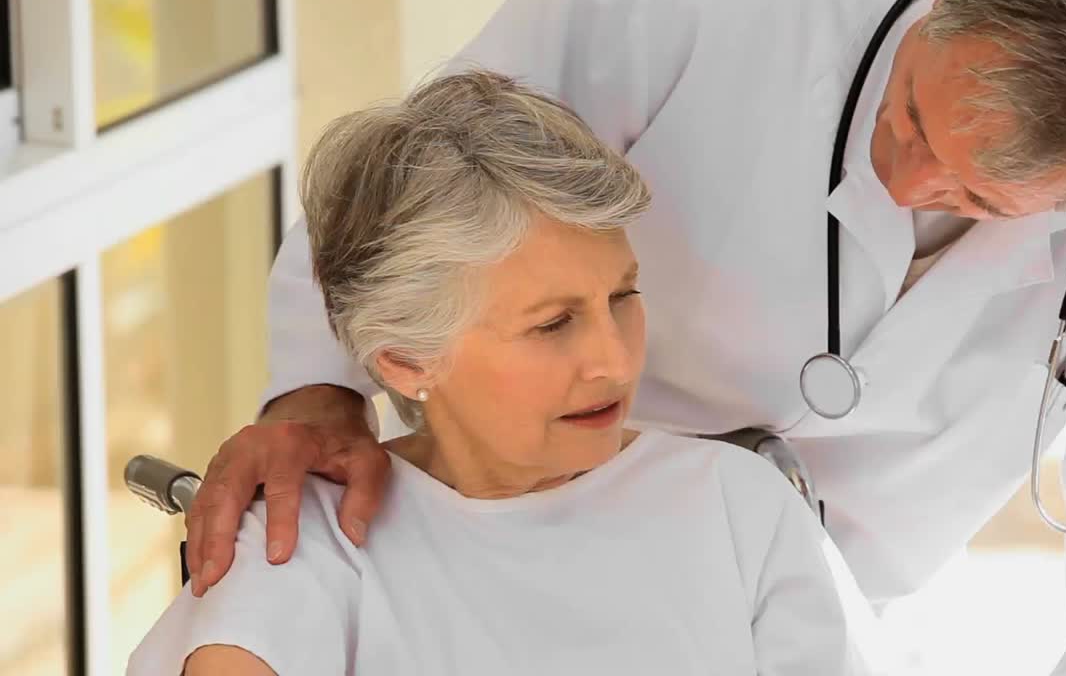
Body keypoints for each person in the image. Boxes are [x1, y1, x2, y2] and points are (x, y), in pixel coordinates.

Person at [188, 0, 1066, 673]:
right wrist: (315, 390)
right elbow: (421, 172)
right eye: (906, 113)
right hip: (534, 484)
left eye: (974, 199)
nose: (901, 183)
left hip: (811, 585)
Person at [129, 70, 887, 675]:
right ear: (405, 358)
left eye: (622, 297)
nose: (613, 359)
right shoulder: (307, 544)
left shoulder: (737, 511)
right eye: (552, 323)